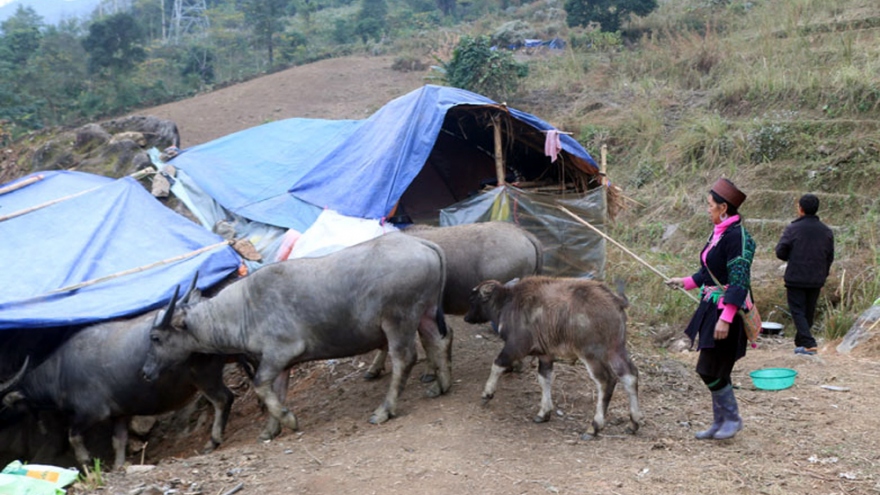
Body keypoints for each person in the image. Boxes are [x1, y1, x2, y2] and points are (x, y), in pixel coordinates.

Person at [666, 178, 756, 441]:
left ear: (724, 207)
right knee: (715, 369)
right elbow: (708, 273)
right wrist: (683, 282)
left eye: (710, 205)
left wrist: (726, 318)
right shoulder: (720, 233)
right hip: (711, 307)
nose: (707, 209)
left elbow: (739, 281)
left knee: (709, 369)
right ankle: (720, 422)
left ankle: (732, 418)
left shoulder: (737, 238)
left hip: (727, 313)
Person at [775, 193, 834, 356]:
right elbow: (830, 256)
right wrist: (823, 274)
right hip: (816, 278)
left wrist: (793, 256)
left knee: (798, 311)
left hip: (796, 277)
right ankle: (801, 342)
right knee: (808, 311)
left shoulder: (793, 228)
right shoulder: (826, 231)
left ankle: (809, 343)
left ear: (800, 209)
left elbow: (780, 252)